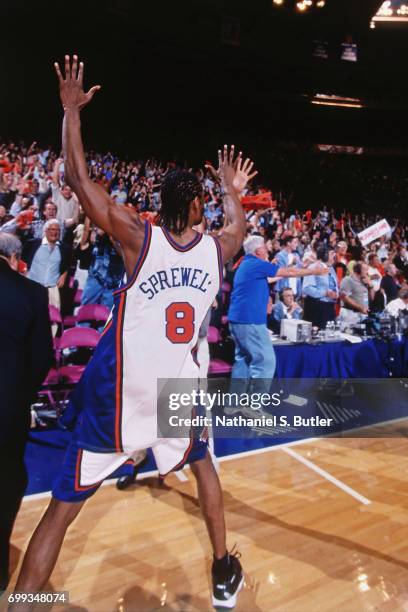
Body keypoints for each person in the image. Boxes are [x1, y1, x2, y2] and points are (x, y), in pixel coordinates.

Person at [13, 55, 257, 611]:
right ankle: (223, 570)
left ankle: (25, 602)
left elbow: (77, 178)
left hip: (121, 397)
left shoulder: (138, 238)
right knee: (204, 467)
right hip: (177, 392)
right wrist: (231, 189)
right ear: (197, 207)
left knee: (62, 510)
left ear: (161, 206)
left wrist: (71, 111)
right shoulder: (219, 249)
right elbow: (237, 226)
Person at [0, 233, 53, 591]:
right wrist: (20, 398)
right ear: (17, 258)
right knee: (6, 485)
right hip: (8, 411)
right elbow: (42, 360)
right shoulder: (32, 293)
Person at [228, 234, 328, 394]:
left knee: (244, 361)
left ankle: (234, 404)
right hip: (250, 321)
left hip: (238, 321)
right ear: (259, 250)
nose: (268, 250)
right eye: (265, 247)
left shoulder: (247, 266)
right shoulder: (256, 264)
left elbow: (269, 279)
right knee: (266, 363)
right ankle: (254, 407)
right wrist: (314, 271)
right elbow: (289, 272)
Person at [23, 219, 71, 310]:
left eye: (57, 230)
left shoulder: (65, 248)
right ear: (45, 231)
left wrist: (64, 274)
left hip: (52, 289)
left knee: (52, 319)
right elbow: (21, 258)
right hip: (33, 286)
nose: (55, 232)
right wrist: (24, 271)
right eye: (52, 229)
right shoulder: (32, 244)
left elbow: (69, 263)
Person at [302, 246, 339, 329]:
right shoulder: (313, 267)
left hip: (329, 306)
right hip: (316, 308)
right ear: (324, 255)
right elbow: (306, 288)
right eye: (332, 253)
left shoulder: (331, 269)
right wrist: (325, 293)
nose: (334, 255)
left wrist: (337, 293)